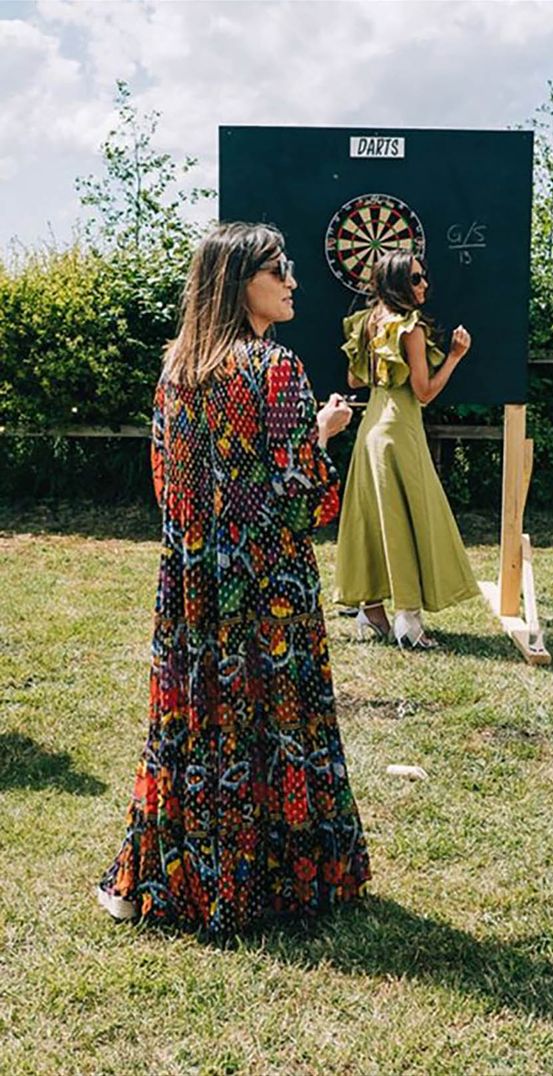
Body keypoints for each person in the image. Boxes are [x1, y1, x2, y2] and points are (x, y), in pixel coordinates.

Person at [97, 222, 371, 943]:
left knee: (194, 729)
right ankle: (287, 883)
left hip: (191, 586)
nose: (292, 282)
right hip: (266, 584)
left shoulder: (175, 372)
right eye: (277, 270)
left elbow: (170, 486)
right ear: (238, 280)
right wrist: (320, 438)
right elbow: (298, 495)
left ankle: (165, 881)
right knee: (277, 725)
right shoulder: (275, 369)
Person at [333, 250, 478, 649]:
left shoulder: (366, 322)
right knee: (410, 517)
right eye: (415, 278)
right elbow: (425, 392)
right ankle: (408, 620)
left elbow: (353, 378)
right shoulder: (410, 328)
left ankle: (372, 611)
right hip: (400, 427)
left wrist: (381, 368)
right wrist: (454, 357)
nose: (424, 284)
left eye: (422, 276)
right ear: (397, 283)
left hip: (371, 427)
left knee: (374, 518)